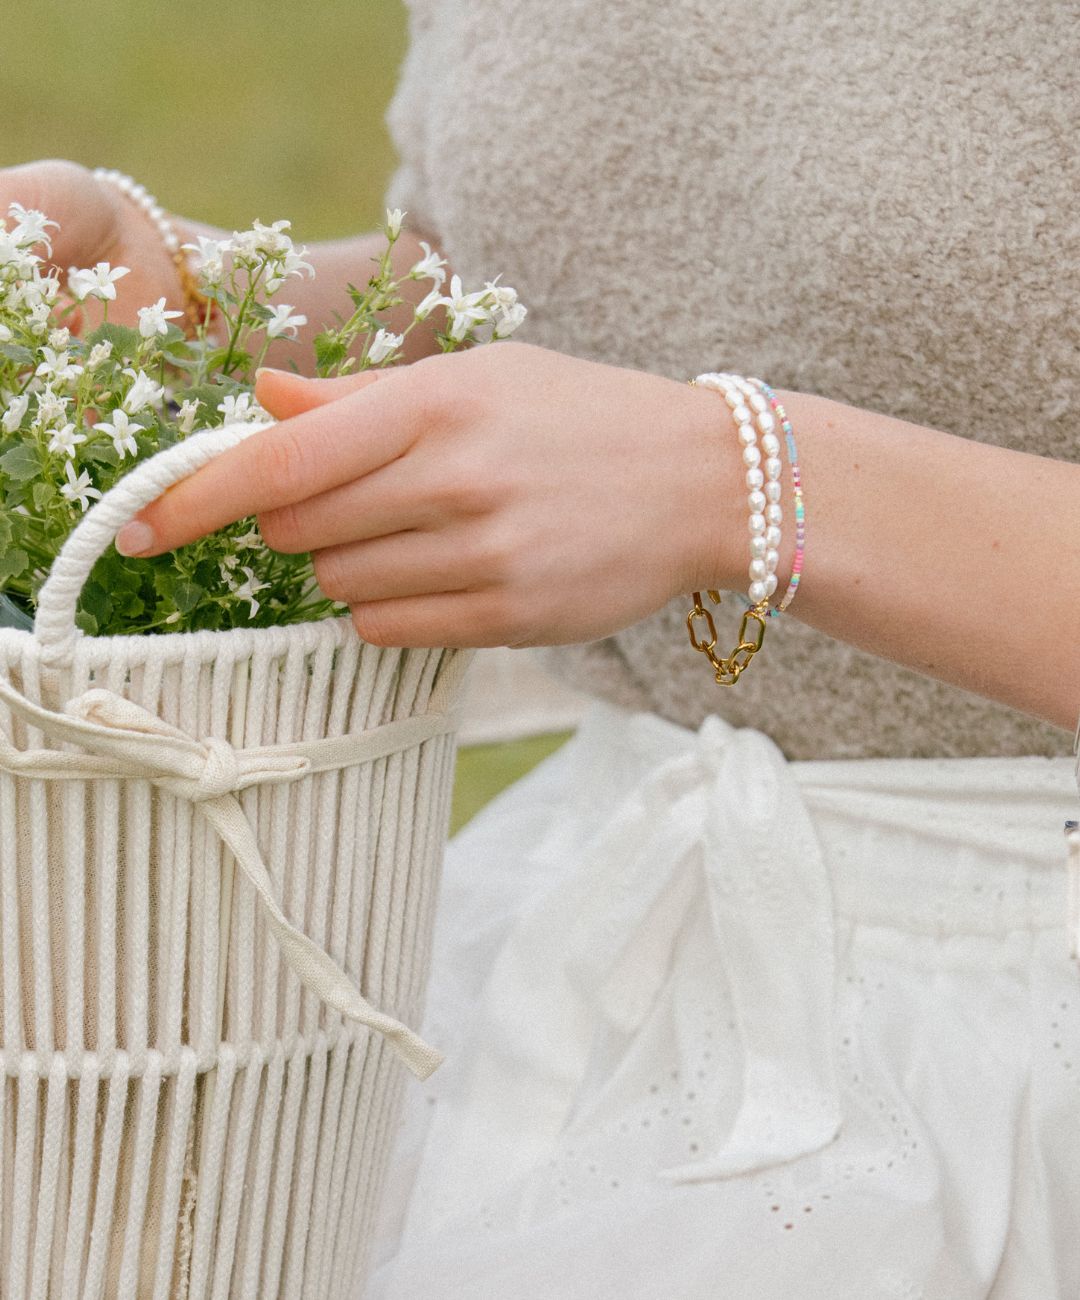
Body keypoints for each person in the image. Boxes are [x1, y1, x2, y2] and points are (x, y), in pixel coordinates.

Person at [4, 1, 1080, 1294]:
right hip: (611, 951)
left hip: (1008, 1064)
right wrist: (197, 296)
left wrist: (724, 485)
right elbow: (563, 285)